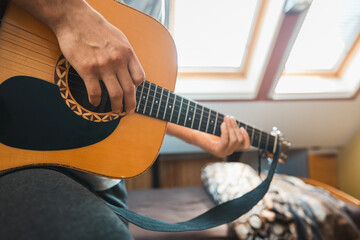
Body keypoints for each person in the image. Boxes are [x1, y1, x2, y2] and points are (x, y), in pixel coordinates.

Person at [0, 0, 251, 239]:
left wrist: (200, 137)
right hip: (17, 159)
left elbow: (132, 96)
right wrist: (69, 15)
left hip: (102, 174)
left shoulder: (156, 12)